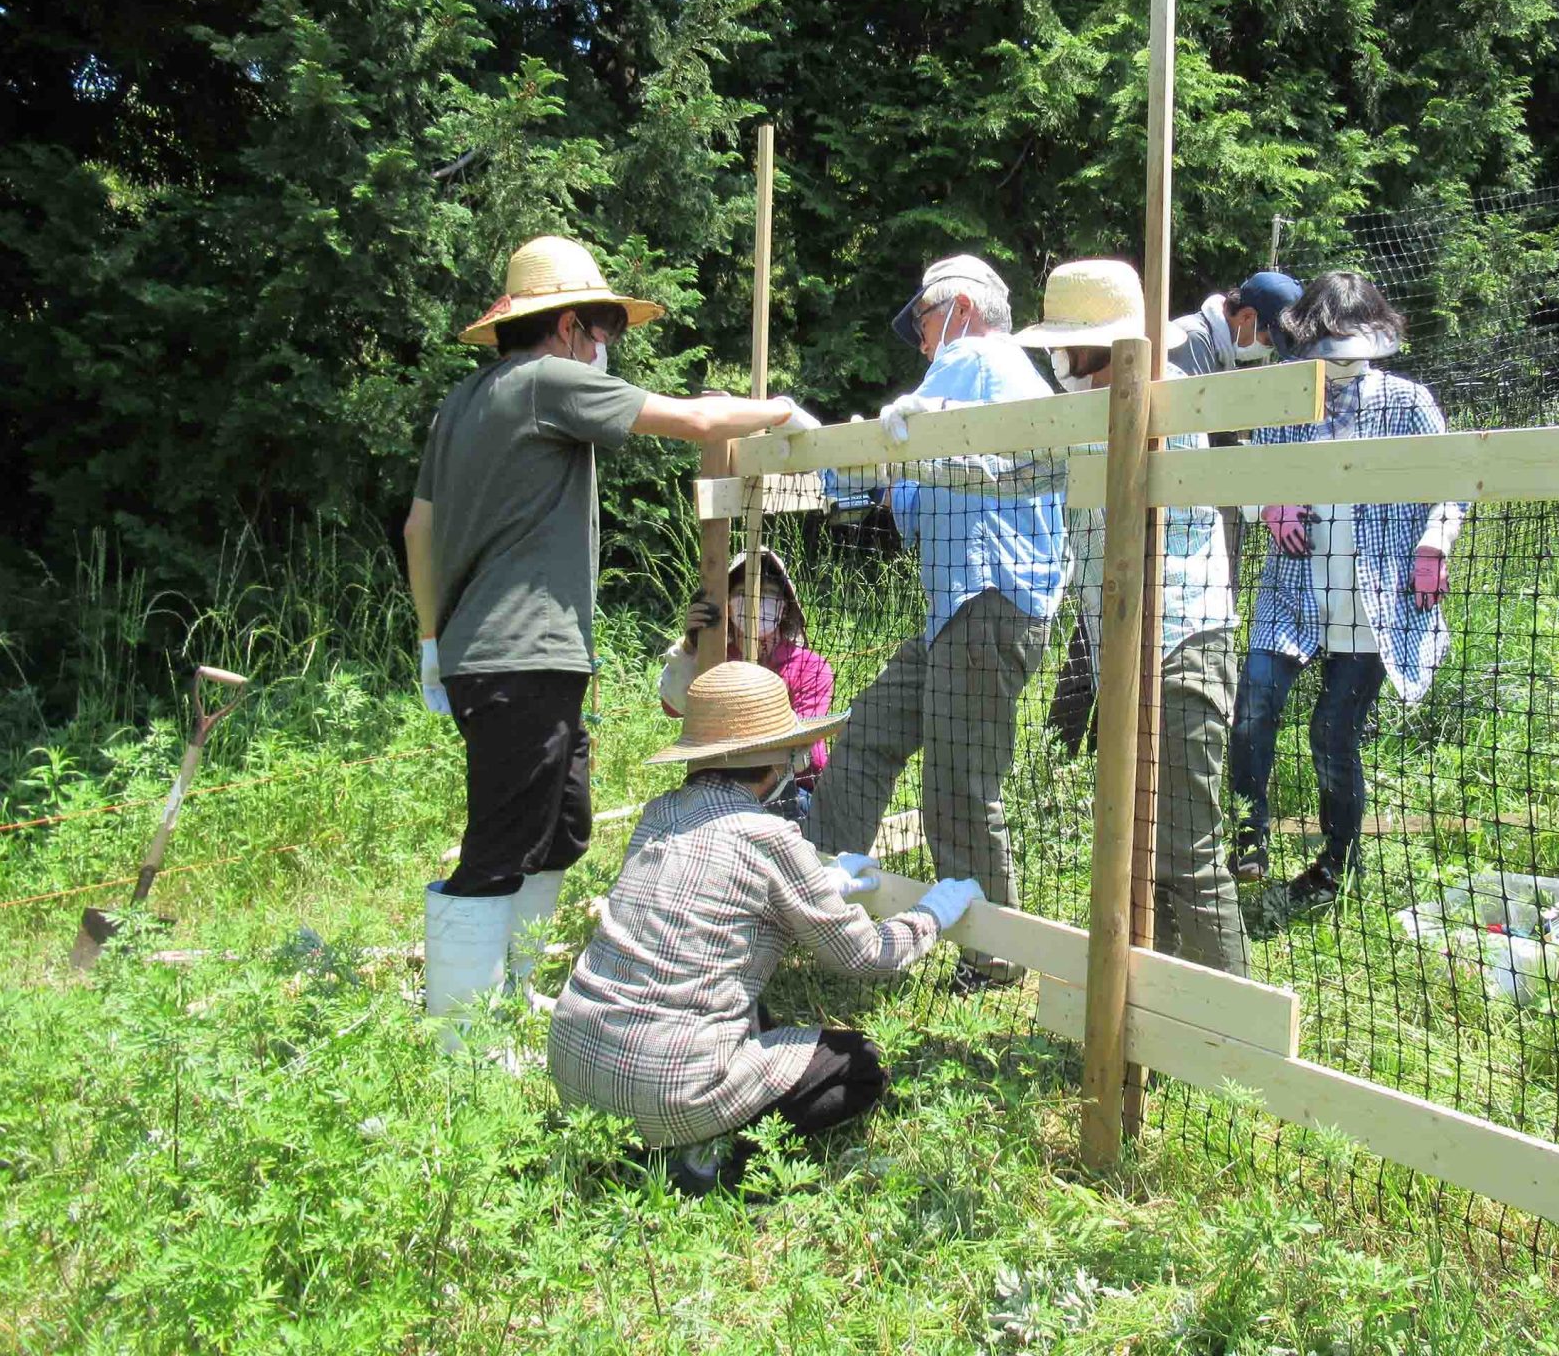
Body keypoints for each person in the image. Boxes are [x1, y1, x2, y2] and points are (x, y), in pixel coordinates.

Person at [404, 234, 821, 1051]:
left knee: (561, 824)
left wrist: (430, 642)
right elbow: (694, 420)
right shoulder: (544, 381)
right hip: (521, 654)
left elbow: (420, 527)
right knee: (500, 842)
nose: (606, 349)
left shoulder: (463, 402)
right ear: (566, 328)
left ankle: (511, 988)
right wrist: (779, 410)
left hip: (512, 656)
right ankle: (462, 1041)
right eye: (603, 331)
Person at [548, 661, 983, 1193]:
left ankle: (657, 1134)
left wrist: (824, 882)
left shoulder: (660, 814)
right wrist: (931, 915)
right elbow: (864, 955)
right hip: (669, 1085)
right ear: (777, 758)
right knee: (860, 1064)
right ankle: (711, 1155)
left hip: (574, 1066)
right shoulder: (769, 836)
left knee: (738, 999)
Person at [808, 254, 1067, 993]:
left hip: (987, 603)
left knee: (959, 787)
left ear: (960, 310)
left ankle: (994, 959)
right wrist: (875, 480)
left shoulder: (975, 357)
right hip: (957, 609)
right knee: (869, 734)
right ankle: (813, 899)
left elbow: (889, 448)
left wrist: (840, 455)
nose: (922, 344)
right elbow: (915, 496)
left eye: (921, 323)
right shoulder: (974, 386)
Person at [1016, 260, 1249, 974]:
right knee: (1139, 846)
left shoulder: (1153, 401)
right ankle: (1157, 1001)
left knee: (1186, 849)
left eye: (1065, 345)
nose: (1056, 359)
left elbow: (1035, 470)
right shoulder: (1093, 408)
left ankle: (1226, 1020)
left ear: (1095, 346)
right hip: (1125, 648)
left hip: (1179, 644)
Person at [1228, 271, 1464, 911]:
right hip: (1293, 591)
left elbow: (1455, 480)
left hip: (1374, 601)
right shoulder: (1283, 400)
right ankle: (1247, 838)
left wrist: (1435, 543)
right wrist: (1267, 505)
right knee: (1252, 708)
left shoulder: (1409, 402)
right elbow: (1247, 476)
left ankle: (1337, 865)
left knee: (1332, 734)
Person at [1046, 270, 1305, 755]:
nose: (1268, 349)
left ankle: (1078, 745)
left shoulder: (1198, 360)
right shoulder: (1185, 353)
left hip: (1170, 602)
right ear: (1247, 318)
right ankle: (1070, 745)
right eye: (1270, 336)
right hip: (1133, 584)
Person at [658, 550, 836, 808]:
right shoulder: (717, 660)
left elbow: (803, 747)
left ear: (784, 607)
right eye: (743, 592)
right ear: (728, 604)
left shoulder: (810, 666)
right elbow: (673, 708)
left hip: (791, 789)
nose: (755, 602)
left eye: (768, 594)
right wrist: (691, 648)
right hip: (720, 785)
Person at [1166, 270, 1302, 378]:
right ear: (1247, 317)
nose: (1268, 350)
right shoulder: (1194, 339)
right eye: (1268, 341)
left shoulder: (1219, 349)